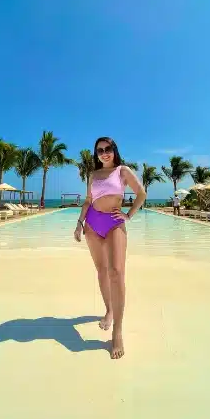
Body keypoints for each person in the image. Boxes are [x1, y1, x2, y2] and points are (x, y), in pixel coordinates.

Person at [73, 137, 147, 359]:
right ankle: (109, 311)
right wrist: (79, 223)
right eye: (100, 150)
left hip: (114, 222)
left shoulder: (122, 171)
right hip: (92, 224)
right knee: (102, 271)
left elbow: (141, 193)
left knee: (116, 273)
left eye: (108, 149)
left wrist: (129, 214)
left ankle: (117, 331)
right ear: (96, 154)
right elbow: (88, 201)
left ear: (114, 150)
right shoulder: (93, 175)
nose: (104, 153)